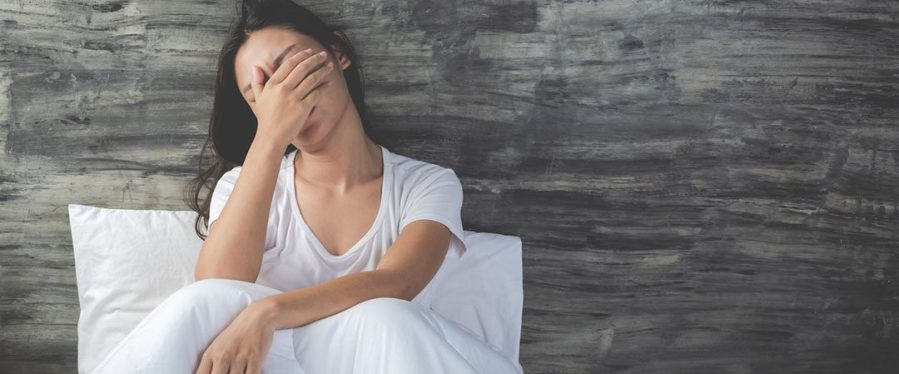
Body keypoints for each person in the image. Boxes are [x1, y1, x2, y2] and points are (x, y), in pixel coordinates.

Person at [91, 0, 522, 373]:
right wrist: (271, 137)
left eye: (288, 68)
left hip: (383, 356)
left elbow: (398, 282)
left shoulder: (426, 184)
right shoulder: (247, 185)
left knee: (384, 317)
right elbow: (218, 289)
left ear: (338, 53)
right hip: (282, 360)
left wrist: (268, 312)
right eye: (259, 91)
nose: (282, 94)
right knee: (200, 304)